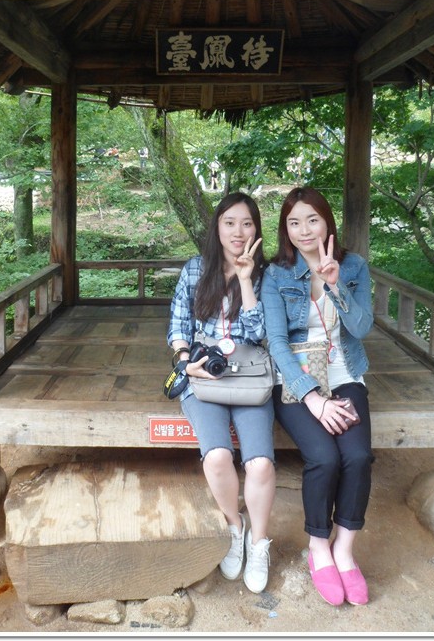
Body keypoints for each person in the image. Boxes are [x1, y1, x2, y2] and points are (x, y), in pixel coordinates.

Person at [261, 186, 374, 607]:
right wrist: (313, 398)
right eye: (294, 222)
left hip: (344, 373)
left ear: (327, 222)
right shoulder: (276, 274)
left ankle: (344, 549)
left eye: (312, 219)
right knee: (324, 457)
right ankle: (318, 547)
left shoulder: (354, 266)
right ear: (285, 229)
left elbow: (362, 329)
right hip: (295, 379)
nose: (304, 230)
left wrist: (335, 286)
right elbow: (275, 342)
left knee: (357, 456)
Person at [167, 192, 276, 593]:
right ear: (217, 227)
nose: (238, 231)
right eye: (229, 223)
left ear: (256, 228)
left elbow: (259, 333)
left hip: (249, 375)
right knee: (216, 456)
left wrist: (246, 280)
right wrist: (185, 361)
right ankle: (234, 525)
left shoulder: (267, 275)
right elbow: (179, 324)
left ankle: (259, 542)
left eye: (246, 223)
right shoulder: (196, 269)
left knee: (260, 465)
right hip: (205, 375)